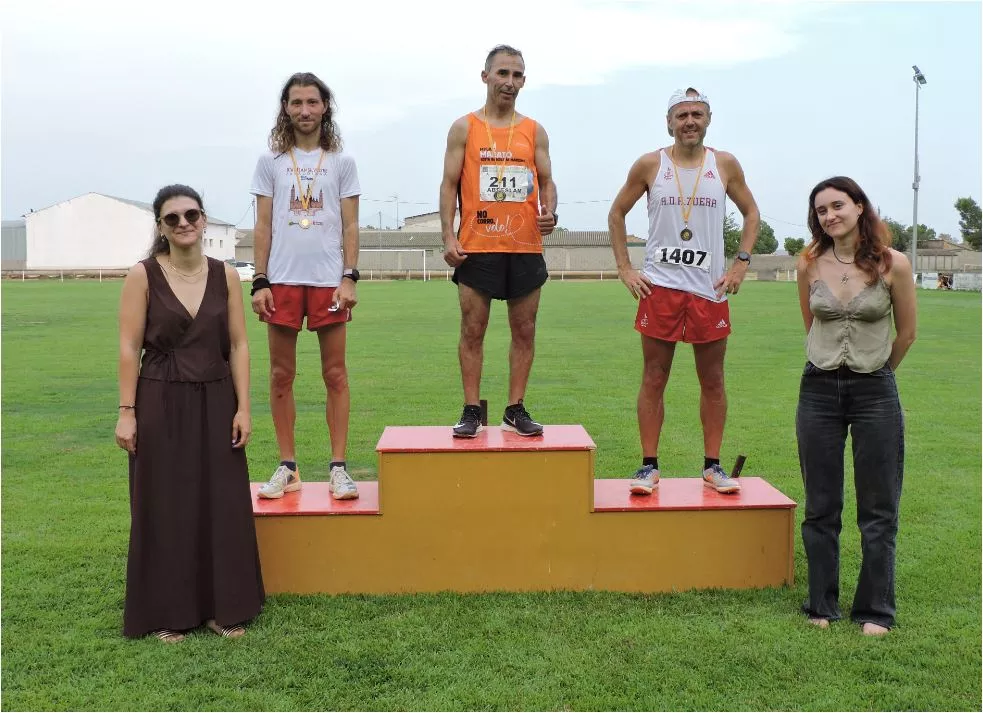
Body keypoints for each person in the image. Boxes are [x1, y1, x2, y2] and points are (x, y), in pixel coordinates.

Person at [115, 184, 264, 643]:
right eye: (172, 218)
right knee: (166, 504)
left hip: (217, 398)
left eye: (191, 215)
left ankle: (224, 607)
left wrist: (243, 406)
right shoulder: (142, 275)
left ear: (203, 219)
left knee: (220, 503)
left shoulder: (225, 275)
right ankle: (167, 611)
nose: (183, 224)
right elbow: (128, 346)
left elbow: (238, 345)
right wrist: (127, 411)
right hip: (159, 397)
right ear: (160, 227)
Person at [608, 87, 760, 495]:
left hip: (710, 291)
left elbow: (751, 212)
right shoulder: (649, 164)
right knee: (654, 377)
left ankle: (712, 466)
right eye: (681, 115)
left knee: (712, 380)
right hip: (661, 289)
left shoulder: (724, 164)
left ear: (708, 119)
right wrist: (625, 268)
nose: (689, 121)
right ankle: (648, 466)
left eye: (696, 114)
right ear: (669, 122)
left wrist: (741, 263)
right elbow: (616, 212)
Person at [795, 176, 916, 636]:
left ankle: (875, 611)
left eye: (838, 205)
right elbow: (810, 324)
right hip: (818, 390)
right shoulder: (808, 264)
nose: (830, 216)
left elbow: (906, 333)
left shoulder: (893, 264)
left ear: (860, 207)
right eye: (821, 211)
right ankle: (821, 605)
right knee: (821, 503)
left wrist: (879, 372)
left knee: (878, 506)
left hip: (875, 391)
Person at [250, 72, 361, 500]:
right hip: (282, 281)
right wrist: (260, 280)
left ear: (325, 107)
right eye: (296, 103)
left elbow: (350, 225)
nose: (304, 111)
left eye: (312, 102)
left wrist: (349, 276)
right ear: (286, 109)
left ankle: (338, 467)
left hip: (328, 282)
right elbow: (262, 225)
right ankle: (288, 465)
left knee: (335, 374)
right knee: (281, 375)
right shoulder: (271, 162)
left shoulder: (342, 162)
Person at [439, 44, 558, 438]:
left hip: (524, 246)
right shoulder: (464, 128)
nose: (510, 82)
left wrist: (550, 212)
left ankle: (515, 407)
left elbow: (546, 181)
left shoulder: (534, 130)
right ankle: (471, 409)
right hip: (478, 245)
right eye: (503, 73)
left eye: (517, 75)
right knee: (473, 329)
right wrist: (447, 235)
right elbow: (449, 184)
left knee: (525, 330)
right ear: (486, 76)